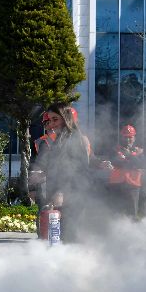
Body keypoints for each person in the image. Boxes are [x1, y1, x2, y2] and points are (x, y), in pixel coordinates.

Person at [31, 103, 103, 242]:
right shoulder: (59, 139)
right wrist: (41, 175)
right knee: (54, 240)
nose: (51, 124)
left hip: (72, 198)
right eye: (50, 120)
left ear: (66, 118)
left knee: (68, 239)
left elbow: (79, 171)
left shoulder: (75, 139)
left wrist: (63, 192)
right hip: (58, 196)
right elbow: (56, 167)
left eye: (55, 119)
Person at [108, 124, 144, 219]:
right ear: (121, 138)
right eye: (125, 137)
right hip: (117, 184)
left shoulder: (140, 151)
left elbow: (140, 164)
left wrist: (128, 156)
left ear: (134, 138)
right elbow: (116, 162)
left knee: (132, 212)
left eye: (130, 137)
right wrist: (131, 158)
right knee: (115, 212)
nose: (127, 140)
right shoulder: (115, 150)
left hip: (133, 185)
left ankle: (132, 230)